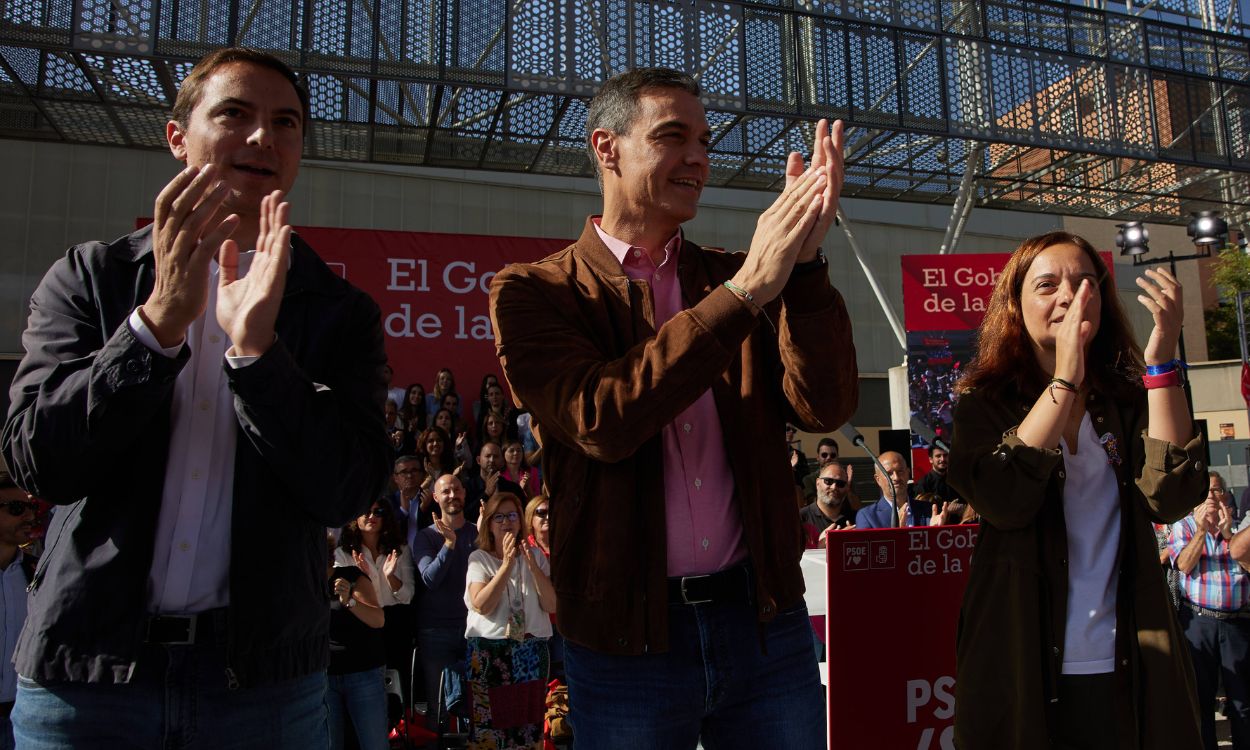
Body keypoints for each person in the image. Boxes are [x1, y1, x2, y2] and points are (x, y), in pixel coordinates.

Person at [1, 47, 390, 747]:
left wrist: (259, 357)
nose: (262, 138)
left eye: (286, 123)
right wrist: (154, 328)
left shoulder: (337, 312)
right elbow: (41, 462)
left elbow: (347, 489)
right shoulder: (91, 279)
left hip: (262, 691)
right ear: (178, 137)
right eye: (234, 114)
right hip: (88, 680)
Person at [489, 67, 856, 748]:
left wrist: (804, 268)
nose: (698, 158)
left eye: (705, 141)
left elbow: (824, 405)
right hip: (628, 646)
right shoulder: (534, 292)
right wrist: (747, 293)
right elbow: (603, 419)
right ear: (607, 147)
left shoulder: (738, 276)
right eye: (672, 136)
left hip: (764, 625)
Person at [947, 231, 1205, 749]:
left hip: (1131, 662)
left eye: (1085, 280)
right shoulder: (984, 403)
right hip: (1022, 669)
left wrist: (1161, 364)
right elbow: (1003, 499)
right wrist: (1064, 379)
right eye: (1047, 285)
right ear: (1016, 309)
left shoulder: (1130, 399)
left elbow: (1171, 496)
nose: (1070, 294)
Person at [464, 492, 556, 750]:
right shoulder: (478, 559)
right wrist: (505, 565)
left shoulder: (535, 556)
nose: (507, 522)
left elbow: (551, 605)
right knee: (490, 735)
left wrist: (531, 564)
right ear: (490, 524)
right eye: (500, 517)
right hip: (489, 653)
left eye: (512, 515)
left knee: (528, 732)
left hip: (530, 651)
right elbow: (481, 604)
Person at [1168, 471, 1249, 749]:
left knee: (1242, 700)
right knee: (1201, 699)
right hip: (1199, 621)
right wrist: (1202, 530)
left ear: (1225, 496)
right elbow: (1183, 566)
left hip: (1237, 623)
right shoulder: (1185, 526)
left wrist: (1228, 535)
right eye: (1205, 493)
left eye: (1216, 491)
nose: (1212, 498)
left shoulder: (1238, 528)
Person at [336, 498, 416, 710]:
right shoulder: (343, 553)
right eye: (366, 511)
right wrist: (366, 578)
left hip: (395, 623)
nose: (371, 516)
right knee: (369, 690)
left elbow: (407, 596)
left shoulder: (400, 549)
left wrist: (390, 577)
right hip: (361, 625)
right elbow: (339, 595)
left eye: (378, 511)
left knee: (398, 687)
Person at [412, 475, 478, 732]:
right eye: (445, 491)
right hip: (436, 631)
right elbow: (430, 578)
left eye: (456, 490)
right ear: (436, 498)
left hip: (474, 629)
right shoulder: (425, 537)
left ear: (464, 493)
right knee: (438, 708)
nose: (452, 495)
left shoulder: (477, 532)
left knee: (476, 704)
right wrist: (449, 544)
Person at [325, 535, 388, 750]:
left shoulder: (350, 576)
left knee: (373, 743)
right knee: (331, 744)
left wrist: (349, 601)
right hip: (325, 677)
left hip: (363, 673)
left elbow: (378, 619)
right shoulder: (305, 587)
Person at [0, 472, 36, 750]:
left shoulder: (37, 573)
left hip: (21, 712)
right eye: (16, 509)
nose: (28, 516)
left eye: (30, 507)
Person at [854, 451, 916, 528]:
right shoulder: (867, 516)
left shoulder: (929, 510)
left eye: (900, 471)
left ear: (908, 473)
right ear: (878, 479)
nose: (896, 477)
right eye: (889, 473)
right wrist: (900, 532)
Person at [800, 460, 855, 546]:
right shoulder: (800, 519)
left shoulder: (856, 520)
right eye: (828, 481)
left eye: (840, 484)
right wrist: (820, 547)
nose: (834, 487)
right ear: (817, 483)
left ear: (847, 488)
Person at [389, 455, 431, 534]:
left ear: (422, 474)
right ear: (395, 478)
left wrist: (423, 510)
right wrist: (403, 511)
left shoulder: (431, 500)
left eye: (414, 470)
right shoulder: (388, 502)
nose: (409, 476)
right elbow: (388, 530)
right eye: (404, 472)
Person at [800, 437, 842, 505]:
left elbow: (856, 506)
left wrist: (847, 488)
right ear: (818, 458)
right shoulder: (809, 480)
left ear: (837, 457)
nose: (828, 458)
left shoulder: (845, 479)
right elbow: (813, 504)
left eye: (833, 455)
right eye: (824, 455)